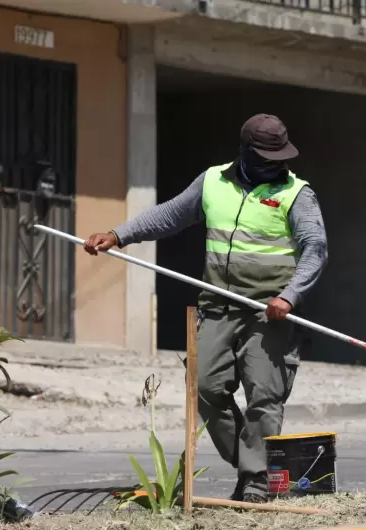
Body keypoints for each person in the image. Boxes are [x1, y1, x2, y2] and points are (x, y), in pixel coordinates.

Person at [84, 113, 328, 503]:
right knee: (204, 385)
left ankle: (256, 482)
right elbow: (170, 214)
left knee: (264, 395)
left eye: (280, 156)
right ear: (245, 153)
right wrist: (118, 235)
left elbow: (315, 249)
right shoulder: (213, 181)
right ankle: (252, 462)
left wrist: (290, 296)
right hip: (217, 305)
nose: (276, 164)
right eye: (267, 156)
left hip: (269, 311)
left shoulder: (297, 194)